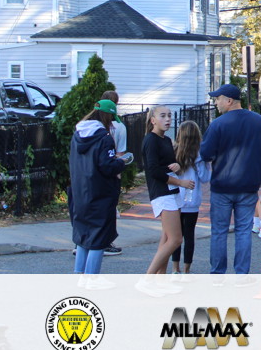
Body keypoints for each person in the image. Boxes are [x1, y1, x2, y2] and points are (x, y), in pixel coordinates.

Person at [200, 84, 261, 280]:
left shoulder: (218, 124)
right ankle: (241, 275)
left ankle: (218, 274)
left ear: (229, 101)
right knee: (243, 231)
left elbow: (205, 153)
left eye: (218, 99)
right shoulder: (258, 122)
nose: (216, 103)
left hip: (222, 185)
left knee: (219, 231)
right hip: (248, 185)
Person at [69, 100, 127, 290]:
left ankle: (80, 275)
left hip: (80, 191)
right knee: (99, 235)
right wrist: (121, 162)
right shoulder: (104, 138)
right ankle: (92, 278)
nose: (112, 123)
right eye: (111, 119)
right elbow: (107, 166)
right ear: (107, 116)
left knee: (83, 234)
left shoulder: (77, 135)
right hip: (100, 192)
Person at [136, 106, 193, 297]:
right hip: (161, 193)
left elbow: (166, 166)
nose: (167, 119)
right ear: (153, 120)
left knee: (167, 238)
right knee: (176, 239)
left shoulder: (167, 140)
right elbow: (153, 171)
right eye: (162, 116)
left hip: (172, 192)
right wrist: (181, 182)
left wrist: (176, 166)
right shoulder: (150, 140)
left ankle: (161, 281)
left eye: (169, 116)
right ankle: (147, 280)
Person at [170, 120, 210, 279]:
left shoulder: (173, 152)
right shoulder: (198, 155)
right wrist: (207, 165)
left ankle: (175, 268)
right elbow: (205, 178)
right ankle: (187, 269)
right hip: (192, 200)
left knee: (175, 236)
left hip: (175, 199)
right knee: (189, 235)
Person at [98, 90, 126, 256]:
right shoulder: (119, 127)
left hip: (93, 174)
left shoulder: (91, 126)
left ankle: (83, 242)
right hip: (111, 171)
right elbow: (120, 154)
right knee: (109, 208)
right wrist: (118, 173)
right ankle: (106, 242)